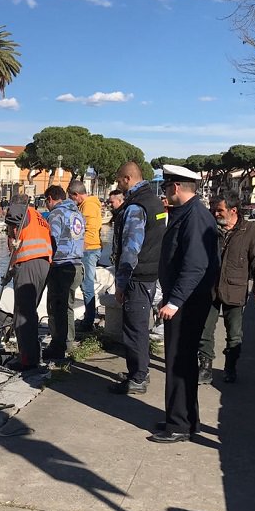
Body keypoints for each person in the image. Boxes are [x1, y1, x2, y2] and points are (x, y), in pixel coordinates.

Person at [150, 164, 220, 444]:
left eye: (167, 187)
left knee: (178, 362)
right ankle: (186, 418)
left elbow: (195, 265)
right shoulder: (191, 214)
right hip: (187, 301)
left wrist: (174, 301)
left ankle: (178, 425)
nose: (166, 192)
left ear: (177, 187)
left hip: (187, 303)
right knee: (185, 362)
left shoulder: (195, 218)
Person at [198, 191, 255, 384]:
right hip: (210, 289)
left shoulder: (251, 231)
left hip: (235, 290)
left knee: (234, 333)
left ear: (233, 210)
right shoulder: (209, 229)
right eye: (213, 210)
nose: (215, 214)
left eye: (219, 210)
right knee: (204, 330)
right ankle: (205, 368)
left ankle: (230, 368)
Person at [111, 162, 166, 395]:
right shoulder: (154, 201)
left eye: (118, 180)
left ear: (127, 178)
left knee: (135, 328)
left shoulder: (136, 207)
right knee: (140, 325)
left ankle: (139, 378)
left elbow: (130, 250)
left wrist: (121, 284)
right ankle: (139, 370)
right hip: (151, 273)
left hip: (138, 277)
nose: (117, 185)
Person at [3, 194, 52, 371]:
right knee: (30, 311)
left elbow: (14, 219)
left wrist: (9, 224)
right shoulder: (39, 217)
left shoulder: (22, 211)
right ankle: (32, 353)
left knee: (22, 314)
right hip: (44, 264)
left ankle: (28, 360)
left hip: (29, 263)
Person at [43, 185, 85, 362]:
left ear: (51, 198)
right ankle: (68, 342)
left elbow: (52, 239)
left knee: (55, 307)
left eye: (46, 201)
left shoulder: (56, 214)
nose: (46, 205)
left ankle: (58, 346)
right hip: (77, 265)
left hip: (61, 266)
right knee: (67, 306)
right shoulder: (77, 214)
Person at [67, 180, 103, 331]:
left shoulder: (88, 206)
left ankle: (88, 322)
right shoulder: (87, 205)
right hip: (90, 249)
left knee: (87, 285)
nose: (71, 200)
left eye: (71, 197)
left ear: (76, 195)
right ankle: (89, 318)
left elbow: (89, 229)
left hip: (88, 251)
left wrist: (78, 250)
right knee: (85, 284)